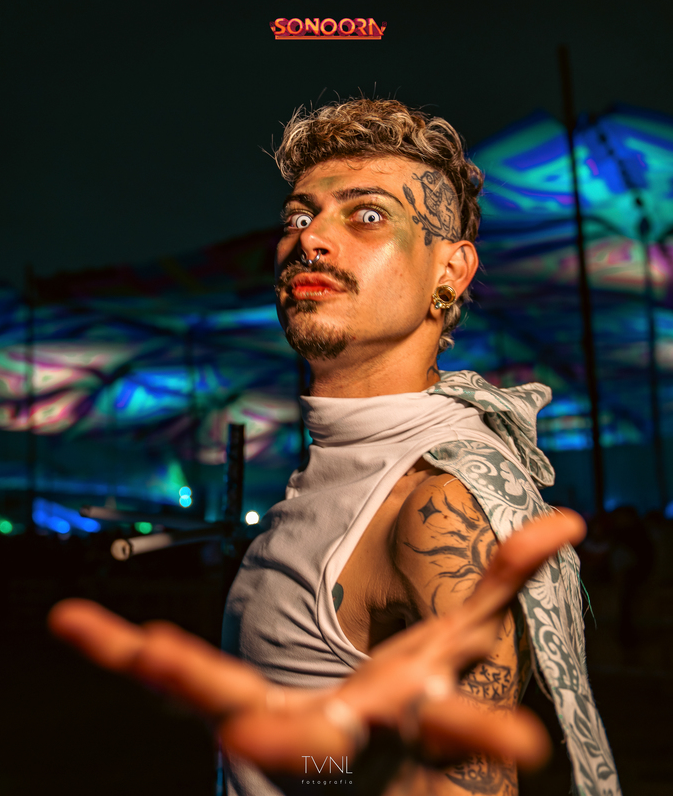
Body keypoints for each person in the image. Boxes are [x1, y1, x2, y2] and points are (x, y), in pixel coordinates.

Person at [49, 99, 620, 796]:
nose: (311, 239)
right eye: (299, 217)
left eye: (367, 216)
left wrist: (361, 769)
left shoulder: (436, 503)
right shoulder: (346, 466)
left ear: (451, 270)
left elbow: (464, 779)